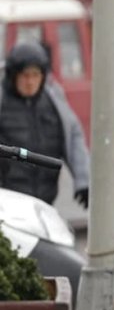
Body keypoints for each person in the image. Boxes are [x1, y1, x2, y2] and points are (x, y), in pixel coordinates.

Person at [0, 42, 90, 206]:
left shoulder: (54, 101)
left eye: (35, 75)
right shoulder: (2, 101)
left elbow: (74, 135)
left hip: (45, 203)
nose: (30, 82)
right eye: (25, 75)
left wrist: (85, 181)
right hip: (7, 205)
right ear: (13, 76)